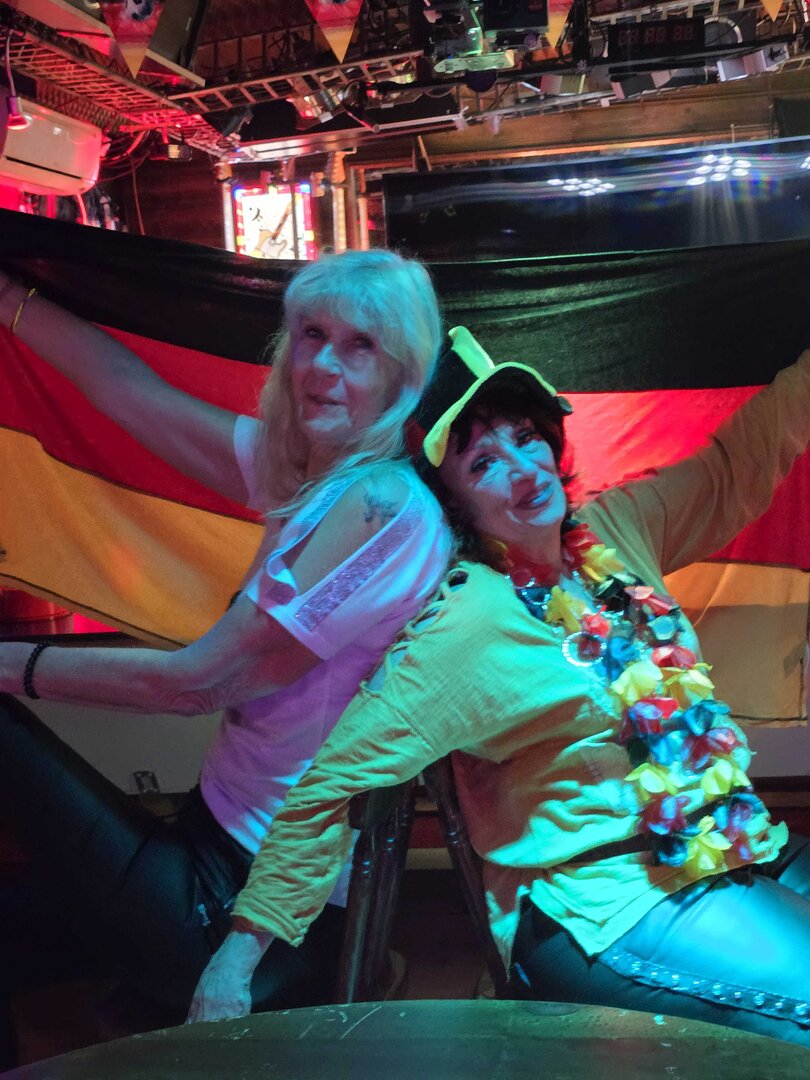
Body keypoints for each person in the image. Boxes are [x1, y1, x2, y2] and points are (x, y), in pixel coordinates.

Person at [189, 325, 810, 1046]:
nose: (522, 470)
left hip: (722, 844)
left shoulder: (616, 528)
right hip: (600, 904)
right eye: (483, 462)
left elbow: (736, 464)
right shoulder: (468, 623)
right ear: (455, 504)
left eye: (525, 437)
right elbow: (334, 783)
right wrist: (237, 959)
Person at [0, 251, 452, 1054]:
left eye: (360, 346)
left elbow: (198, 683)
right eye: (312, 334)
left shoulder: (385, 507)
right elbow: (127, 392)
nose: (323, 365)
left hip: (252, 911)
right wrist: (9, 298)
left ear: (401, 378)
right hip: (209, 847)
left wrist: (9, 665)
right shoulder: (307, 474)